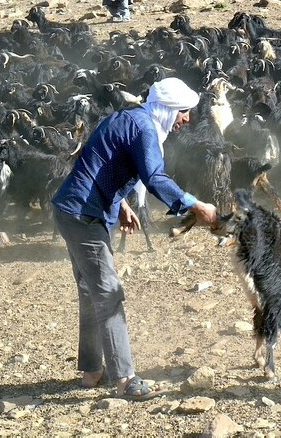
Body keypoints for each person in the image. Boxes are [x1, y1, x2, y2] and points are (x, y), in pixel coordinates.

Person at [51, 77, 219, 401]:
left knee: (91, 291)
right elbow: (154, 177)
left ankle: (91, 371)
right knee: (109, 293)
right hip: (85, 216)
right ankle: (126, 380)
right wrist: (196, 205)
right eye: (184, 111)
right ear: (169, 109)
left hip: (71, 210)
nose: (187, 119)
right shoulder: (143, 127)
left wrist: (123, 202)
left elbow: (101, 161)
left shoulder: (128, 118)